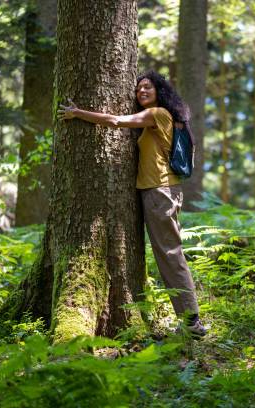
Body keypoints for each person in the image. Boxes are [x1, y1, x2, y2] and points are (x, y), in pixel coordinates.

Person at [57, 70, 206, 338]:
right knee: (168, 253)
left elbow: (115, 121)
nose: (142, 91)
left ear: (160, 91)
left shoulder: (158, 114)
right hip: (158, 190)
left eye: (148, 87)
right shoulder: (163, 118)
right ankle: (190, 318)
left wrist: (78, 113)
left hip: (160, 191)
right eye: (138, 89)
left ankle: (192, 321)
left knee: (170, 254)